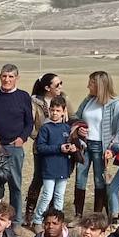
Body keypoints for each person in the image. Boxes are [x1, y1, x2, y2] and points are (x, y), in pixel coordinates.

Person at [0, 63, 33, 220]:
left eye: (10, 77)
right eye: (4, 76)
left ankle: (15, 221)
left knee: (15, 185)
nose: (7, 79)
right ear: (0, 77)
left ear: (17, 78)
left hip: (14, 147)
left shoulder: (23, 97)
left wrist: (22, 138)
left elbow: (29, 122)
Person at [72, 71, 119, 219]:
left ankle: (97, 216)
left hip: (101, 147)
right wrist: (79, 127)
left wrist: (111, 149)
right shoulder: (88, 100)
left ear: (100, 85)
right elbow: (76, 116)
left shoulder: (115, 104)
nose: (88, 86)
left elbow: (117, 131)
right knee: (80, 178)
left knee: (99, 180)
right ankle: (78, 215)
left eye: (91, 83)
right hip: (85, 145)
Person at [25, 73, 65, 222]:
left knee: (58, 181)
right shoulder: (35, 102)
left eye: (61, 83)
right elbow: (29, 124)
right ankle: (30, 213)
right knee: (39, 179)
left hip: (61, 147)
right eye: (57, 84)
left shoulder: (63, 99)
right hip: (41, 148)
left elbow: (73, 117)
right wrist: (42, 137)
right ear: (48, 88)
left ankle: (52, 214)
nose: (60, 86)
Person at [33, 96, 76, 224]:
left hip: (63, 167)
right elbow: (41, 147)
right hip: (49, 168)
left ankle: (57, 221)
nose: (55, 113)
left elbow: (72, 144)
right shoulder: (45, 128)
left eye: (58, 110)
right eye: (52, 110)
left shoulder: (66, 128)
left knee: (59, 196)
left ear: (64, 111)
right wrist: (59, 148)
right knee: (47, 195)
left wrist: (73, 148)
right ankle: (38, 220)